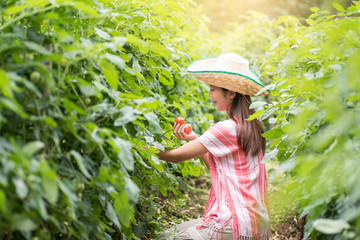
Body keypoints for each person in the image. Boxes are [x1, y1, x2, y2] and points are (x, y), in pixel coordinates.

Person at [156, 53, 270, 240]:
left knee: (166, 238)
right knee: (167, 234)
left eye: (212, 89)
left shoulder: (226, 128)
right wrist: (194, 138)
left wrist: (141, 148)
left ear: (231, 93)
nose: (209, 95)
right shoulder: (252, 127)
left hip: (236, 223)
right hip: (255, 222)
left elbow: (175, 156)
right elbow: (221, 168)